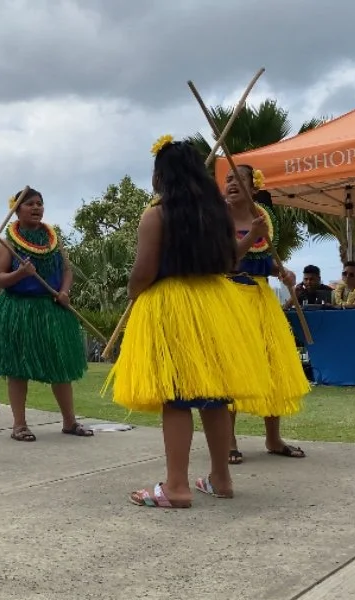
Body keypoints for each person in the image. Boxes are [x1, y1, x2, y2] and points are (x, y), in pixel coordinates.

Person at [108, 135, 269, 508]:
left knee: (177, 397)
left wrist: (133, 290)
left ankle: (177, 486)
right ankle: (220, 479)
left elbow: (144, 271)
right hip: (216, 302)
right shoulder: (216, 214)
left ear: (162, 175)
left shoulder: (157, 214)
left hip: (172, 304)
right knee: (214, 395)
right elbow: (229, 260)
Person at [0, 188, 90, 442]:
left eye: (39, 204)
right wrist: (20, 274)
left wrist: (64, 291)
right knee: (18, 368)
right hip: (18, 309)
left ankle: (69, 421)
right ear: (16, 209)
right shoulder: (7, 241)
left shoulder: (52, 238)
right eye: (30, 204)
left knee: (61, 366)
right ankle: (19, 425)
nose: (36, 208)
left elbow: (66, 270)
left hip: (51, 308)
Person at [223, 165, 311, 464]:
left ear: (254, 187)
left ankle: (273, 438)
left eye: (238, 179)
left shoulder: (263, 216)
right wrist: (252, 235)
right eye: (228, 179)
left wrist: (282, 271)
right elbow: (226, 259)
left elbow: (265, 259)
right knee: (233, 368)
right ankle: (228, 441)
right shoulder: (216, 218)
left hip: (262, 299)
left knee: (273, 364)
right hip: (230, 297)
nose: (231, 183)